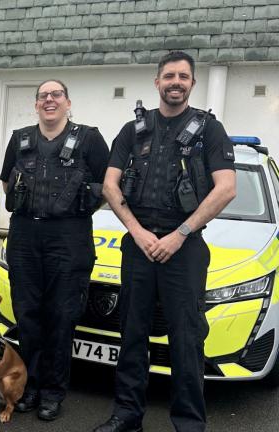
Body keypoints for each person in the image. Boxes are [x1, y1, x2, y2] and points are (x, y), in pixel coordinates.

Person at [94, 51, 236, 432]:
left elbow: (226, 188)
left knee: (186, 340)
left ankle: (189, 424)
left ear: (192, 83)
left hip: (184, 248)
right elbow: (110, 185)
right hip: (138, 245)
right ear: (157, 82)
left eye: (183, 77)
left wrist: (180, 234)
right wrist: (137, 232)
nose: (176, 82)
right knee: (132, 334)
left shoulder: (209, 130)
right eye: (169, 76)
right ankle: (127, 416)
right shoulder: (133, 130)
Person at [0, 79, 109, 421]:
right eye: (43, 96)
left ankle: (53, 391)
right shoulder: (20, 139)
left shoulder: (89, 139)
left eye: (56, 95)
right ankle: (30, 385)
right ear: (36, 105)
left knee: (62, 316)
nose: (50, 100)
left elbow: (106, 185)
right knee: (27, 314)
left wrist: (74, 213)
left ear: (67, 102)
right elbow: (6, 182)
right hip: (25, 234)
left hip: (69, 236)